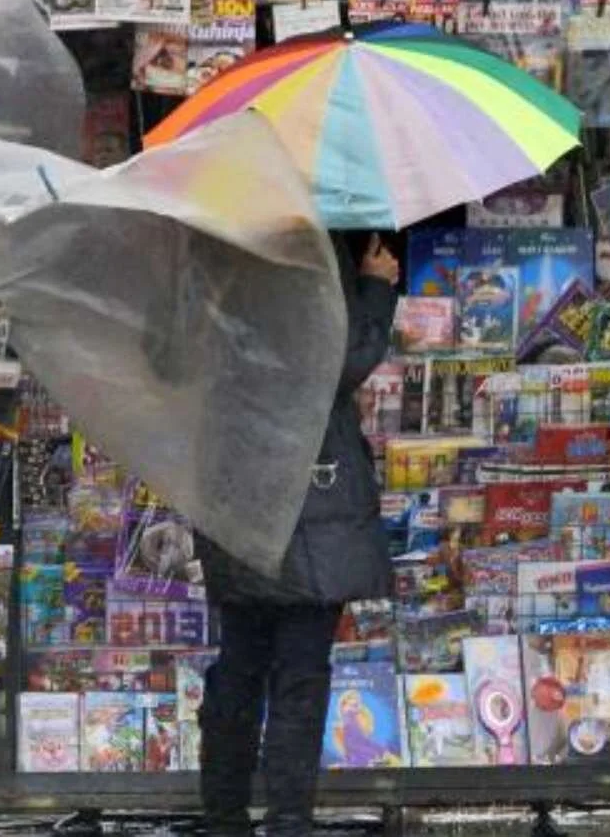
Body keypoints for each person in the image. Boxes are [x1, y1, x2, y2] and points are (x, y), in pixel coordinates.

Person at [194, 232, 399, 837]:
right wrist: (375, 289)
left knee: (240, 665)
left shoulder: (217, 248)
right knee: (299, 677)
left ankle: (224, 816)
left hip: (236, 491)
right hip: (313, 501)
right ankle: (287, 821)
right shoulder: (303, 247)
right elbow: (338, 362)